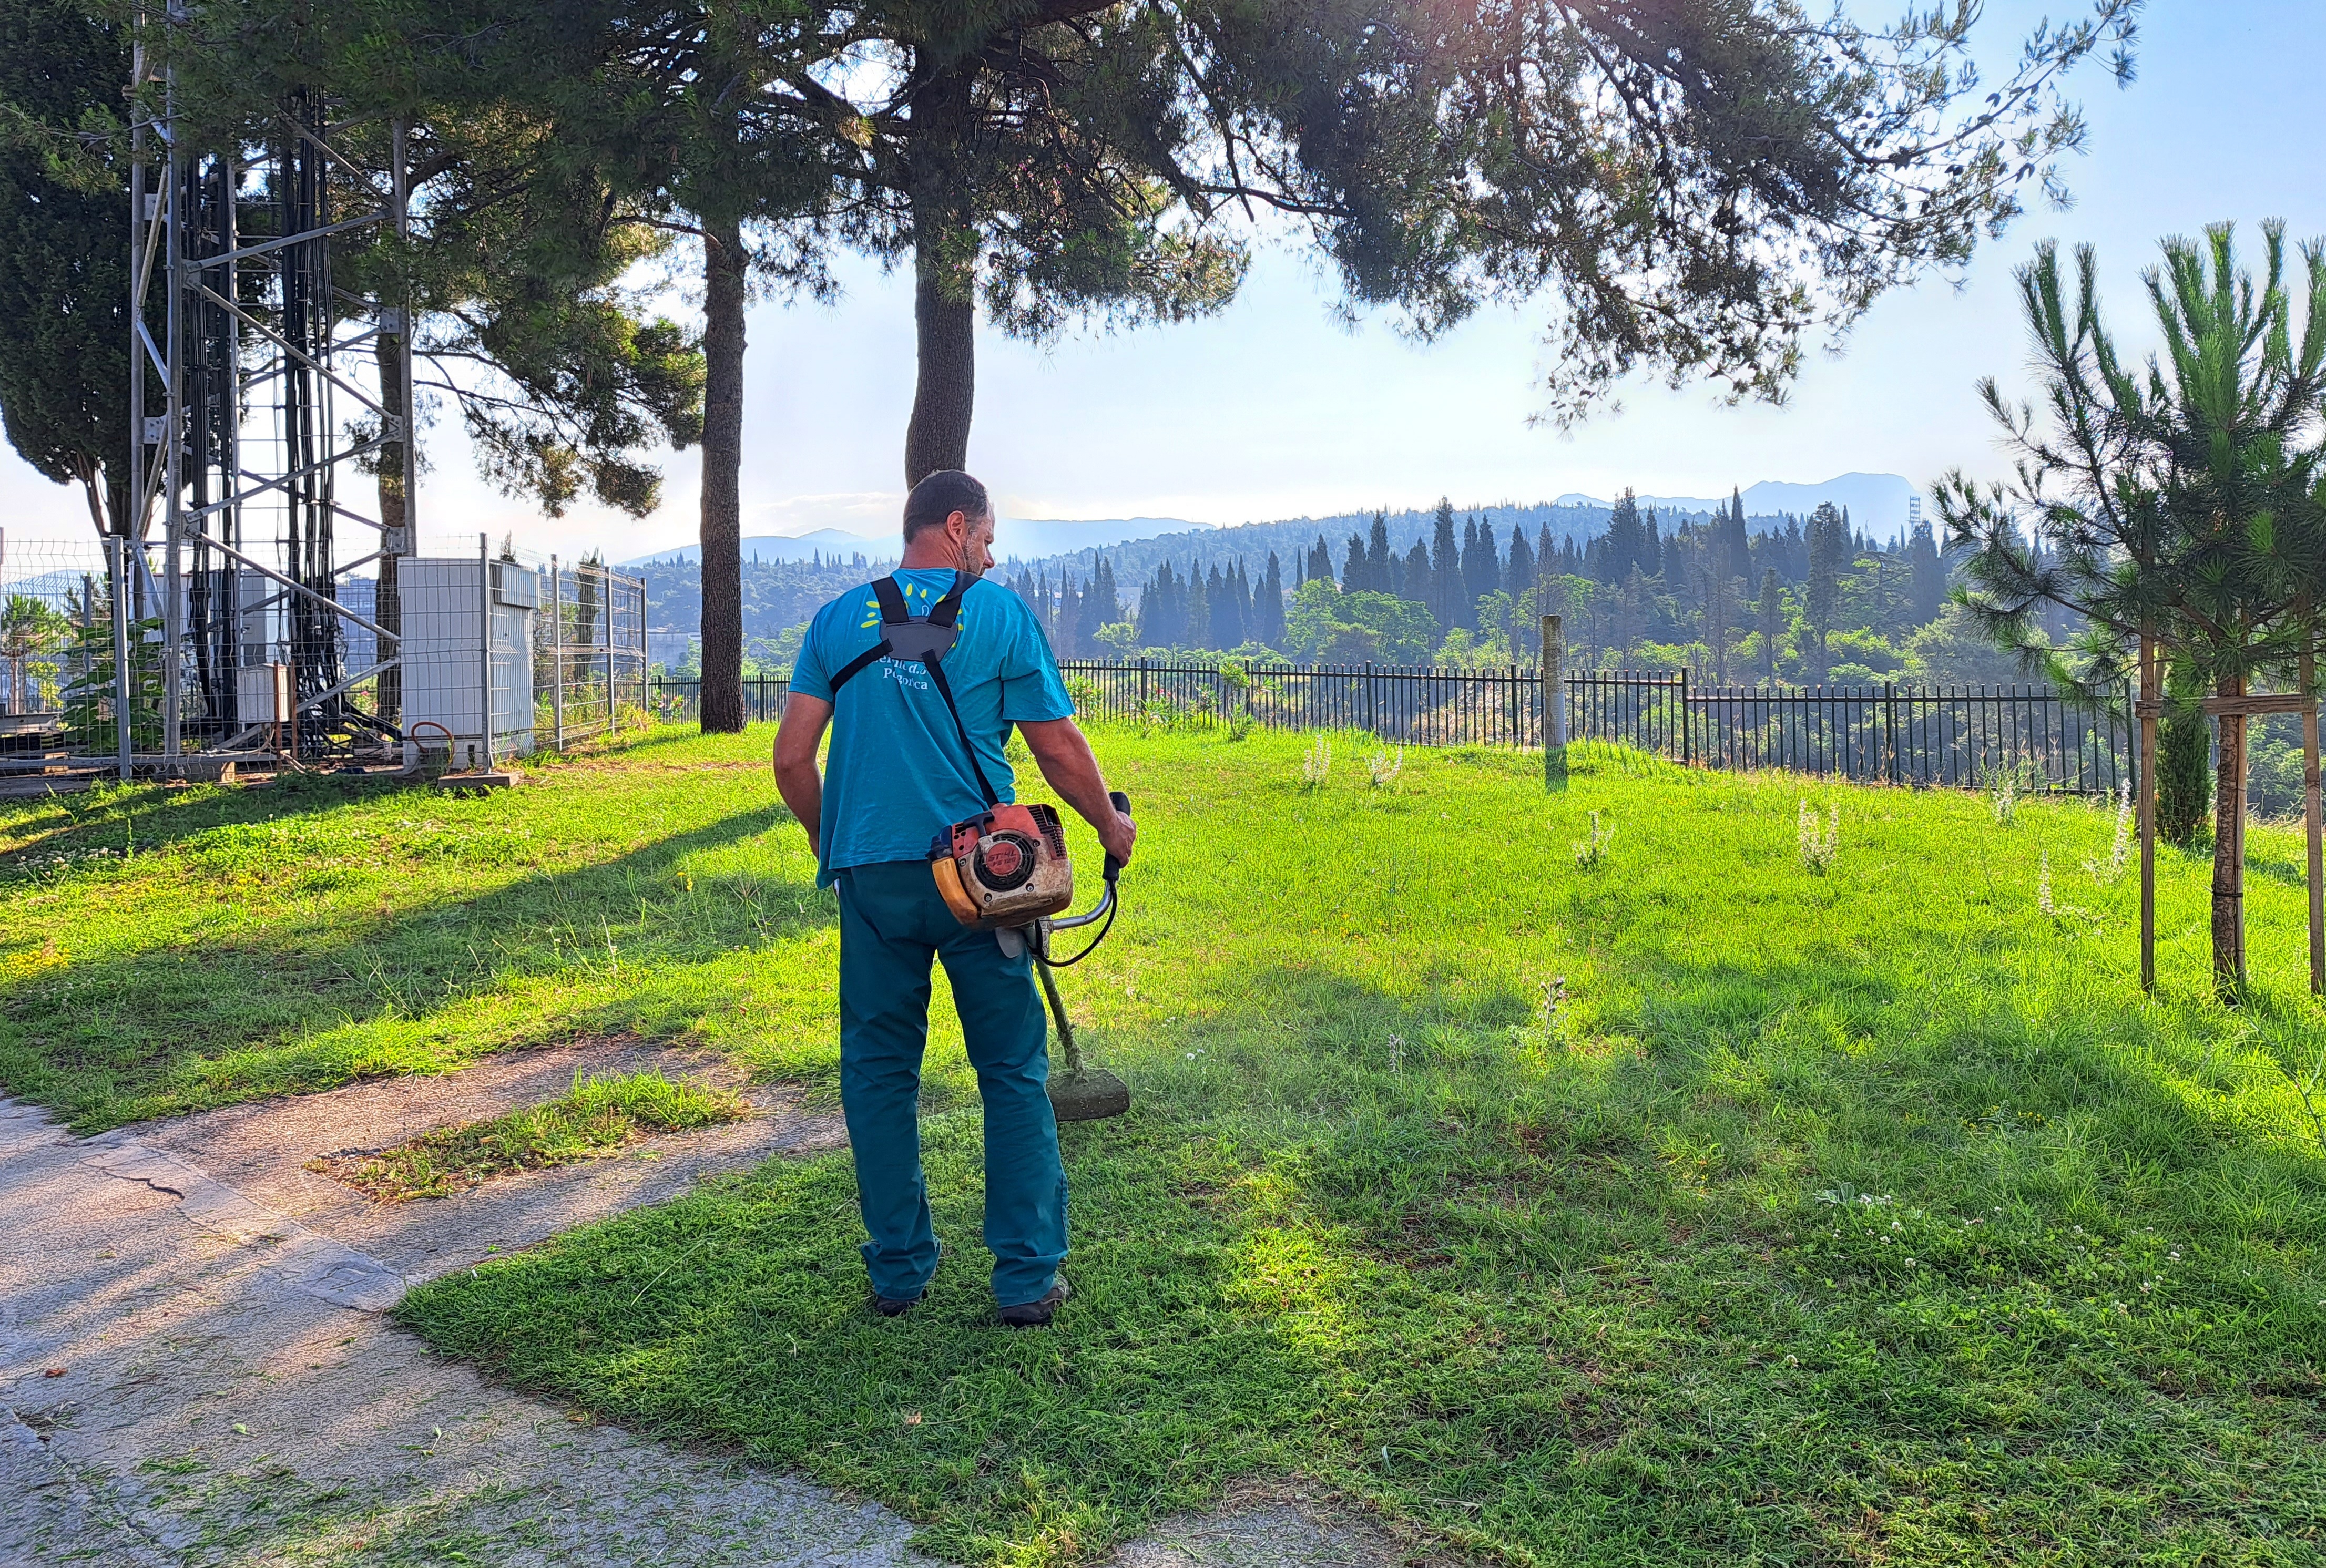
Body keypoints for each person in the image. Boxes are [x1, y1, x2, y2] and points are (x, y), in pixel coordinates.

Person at [772, 469, 1137, 1328]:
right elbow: (1056, 746)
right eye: (989, 534)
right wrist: (1109, 828)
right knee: (1011, 1071)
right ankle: (1027, 1280)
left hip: (872, 881)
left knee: (878, 1074)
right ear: (956, 526)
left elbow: (792, 762)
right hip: (984, 880)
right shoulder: (1000, 614)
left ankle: (897, 1273)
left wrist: (839, 844)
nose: (993, 551)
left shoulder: (834, 620)